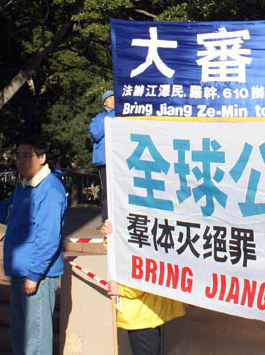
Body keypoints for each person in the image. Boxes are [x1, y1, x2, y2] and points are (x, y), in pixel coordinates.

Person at [0, 134, 66, 355]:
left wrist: (34, 274)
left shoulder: (50, 190)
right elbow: (7, 212)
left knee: (36, 339)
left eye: (26, 156)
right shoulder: (24, 186)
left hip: (36, 275)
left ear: (41, 158)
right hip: (19, 270)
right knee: (20, 335)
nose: (20, 161)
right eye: (18, 156)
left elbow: (48, 238)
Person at [101, 222, 185, 354]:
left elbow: (144, 273)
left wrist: (122, 289)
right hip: (144, 311)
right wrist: (109, 236)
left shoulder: (144, 229)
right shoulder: (142, 225)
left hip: (142, 312)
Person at [90, 90, 115, 229]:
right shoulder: (98, 118)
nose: (113, 99)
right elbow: (95, 133)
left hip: (119, 159)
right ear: (104, 102)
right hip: (105, 160)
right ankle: (106, 219)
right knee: (106, 190)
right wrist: (109, 122)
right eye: (109, 98)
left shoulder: (122, 115)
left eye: (114, 97)